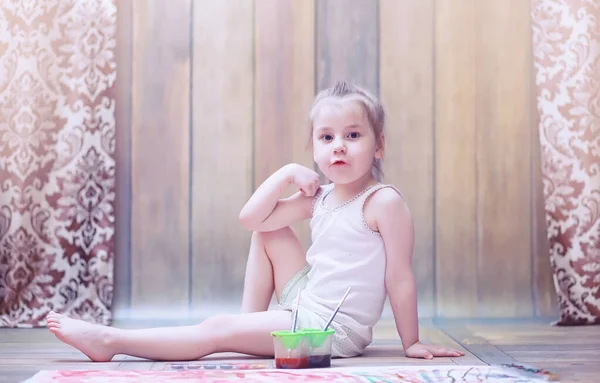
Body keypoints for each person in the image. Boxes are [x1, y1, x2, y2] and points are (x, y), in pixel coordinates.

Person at [46, 80, 464, 362]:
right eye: (327, 137)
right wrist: (285, 173)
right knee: (269, 232)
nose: (339, 147)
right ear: (314, 146)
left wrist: (412, 343)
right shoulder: (320, 198)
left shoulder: (383, 202)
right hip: (307, 299)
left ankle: (110, 342)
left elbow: (400, 278)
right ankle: (247, 330)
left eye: (353, 136)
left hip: (329, 329)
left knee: (215, 328)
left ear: (379, 146)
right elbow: (252, 220)